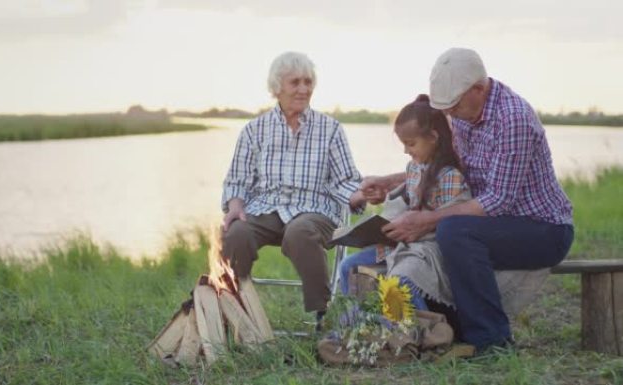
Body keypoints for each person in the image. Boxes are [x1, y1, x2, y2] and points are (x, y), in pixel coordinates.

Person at [363, 48, 574, 352]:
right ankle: (436, 325)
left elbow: (498, 200)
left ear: (479, 88)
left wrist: (428, 219)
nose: (449, 114)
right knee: (443, 231)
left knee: (453, 230)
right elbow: (445, 166)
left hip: (543, 229)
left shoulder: (513, 119)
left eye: (454, 105)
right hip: (496, 223)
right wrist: (390, 181)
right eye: (445, 108)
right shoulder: (463, 115)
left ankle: (491, 339)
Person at [221, 52, 365, 323]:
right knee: (236, 232)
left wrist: (358, 195)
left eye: (308, 82)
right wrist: (236, 206)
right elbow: (237, 181)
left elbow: (345, 180)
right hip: (266, 208)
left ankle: (322, 314)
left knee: (299, 232)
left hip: (315, 210)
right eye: (295, 82)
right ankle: (234, 310)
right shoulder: (254, 130)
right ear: (277, 88)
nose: (303, 89)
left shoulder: (330, 129)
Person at [339, 94, 471, 314]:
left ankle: (416, 333)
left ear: (433, 138)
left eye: (411, 144)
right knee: (349, 266)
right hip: (402, 244)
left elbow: (451, 225)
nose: (406, 151)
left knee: (401, 280)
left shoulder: (450, 176)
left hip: (428, 249)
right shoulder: (413, 168)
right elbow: (410, 206)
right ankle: (358, 329)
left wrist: (413, 226)